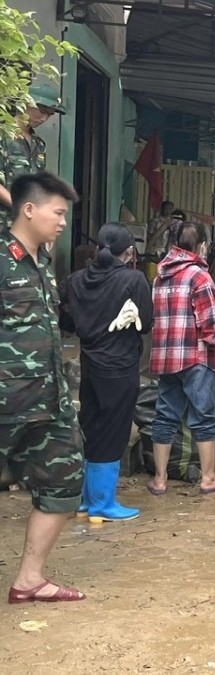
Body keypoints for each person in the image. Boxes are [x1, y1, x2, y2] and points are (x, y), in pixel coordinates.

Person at [1, 172, 86, 603]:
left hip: (47, 403)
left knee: (66, 479)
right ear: (29, 210)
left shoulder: (42, 264)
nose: (64, 222)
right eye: (59, 212)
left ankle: (29, 579)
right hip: (5, 403)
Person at [60, 222, 154, 522]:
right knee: (114, 431)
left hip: (89, 363)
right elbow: (147, 323)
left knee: (90, 425)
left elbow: (66, 323)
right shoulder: (134, 280)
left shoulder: (75, 280)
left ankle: (86, 500)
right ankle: (103, 503)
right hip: (120, 366)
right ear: (128, 251)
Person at [147, 221, 215, 496]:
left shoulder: (160, 276)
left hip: (165, 358)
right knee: (204, 417)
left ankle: (160, 479)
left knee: (165, 416)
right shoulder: (199, 276)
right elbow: (209, 324)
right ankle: (208, 477)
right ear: (201, 245)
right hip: (196, 358)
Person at [0, 84, 65, 228]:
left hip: (28, 225)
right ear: (26, 103)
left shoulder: (38, 144)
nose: (44, 118)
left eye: (49, 114)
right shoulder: (3, 135)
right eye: (42, 111)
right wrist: (20, 206)